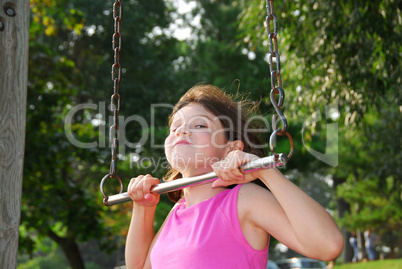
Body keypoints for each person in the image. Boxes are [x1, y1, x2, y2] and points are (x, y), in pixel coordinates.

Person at [125, 84, 344, 269]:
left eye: (199, 125)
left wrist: (265, 172)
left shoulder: (243, 201)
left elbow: (328, 245)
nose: (181, 132)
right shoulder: (177, 213)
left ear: (231, 149)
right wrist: (143, 208)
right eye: (174, 128)